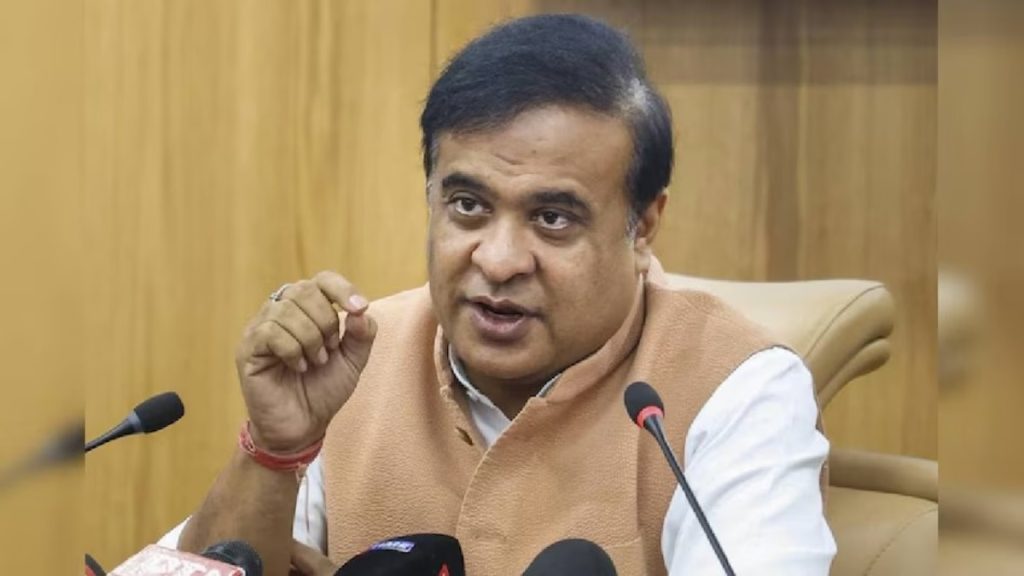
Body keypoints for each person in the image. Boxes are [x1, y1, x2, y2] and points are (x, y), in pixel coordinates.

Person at [166, 14, 835, 575]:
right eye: (468, 206)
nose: (500, 259)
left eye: (553, 218)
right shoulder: (350, 363)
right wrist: (275, 448)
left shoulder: (736, 389)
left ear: (643, 227)